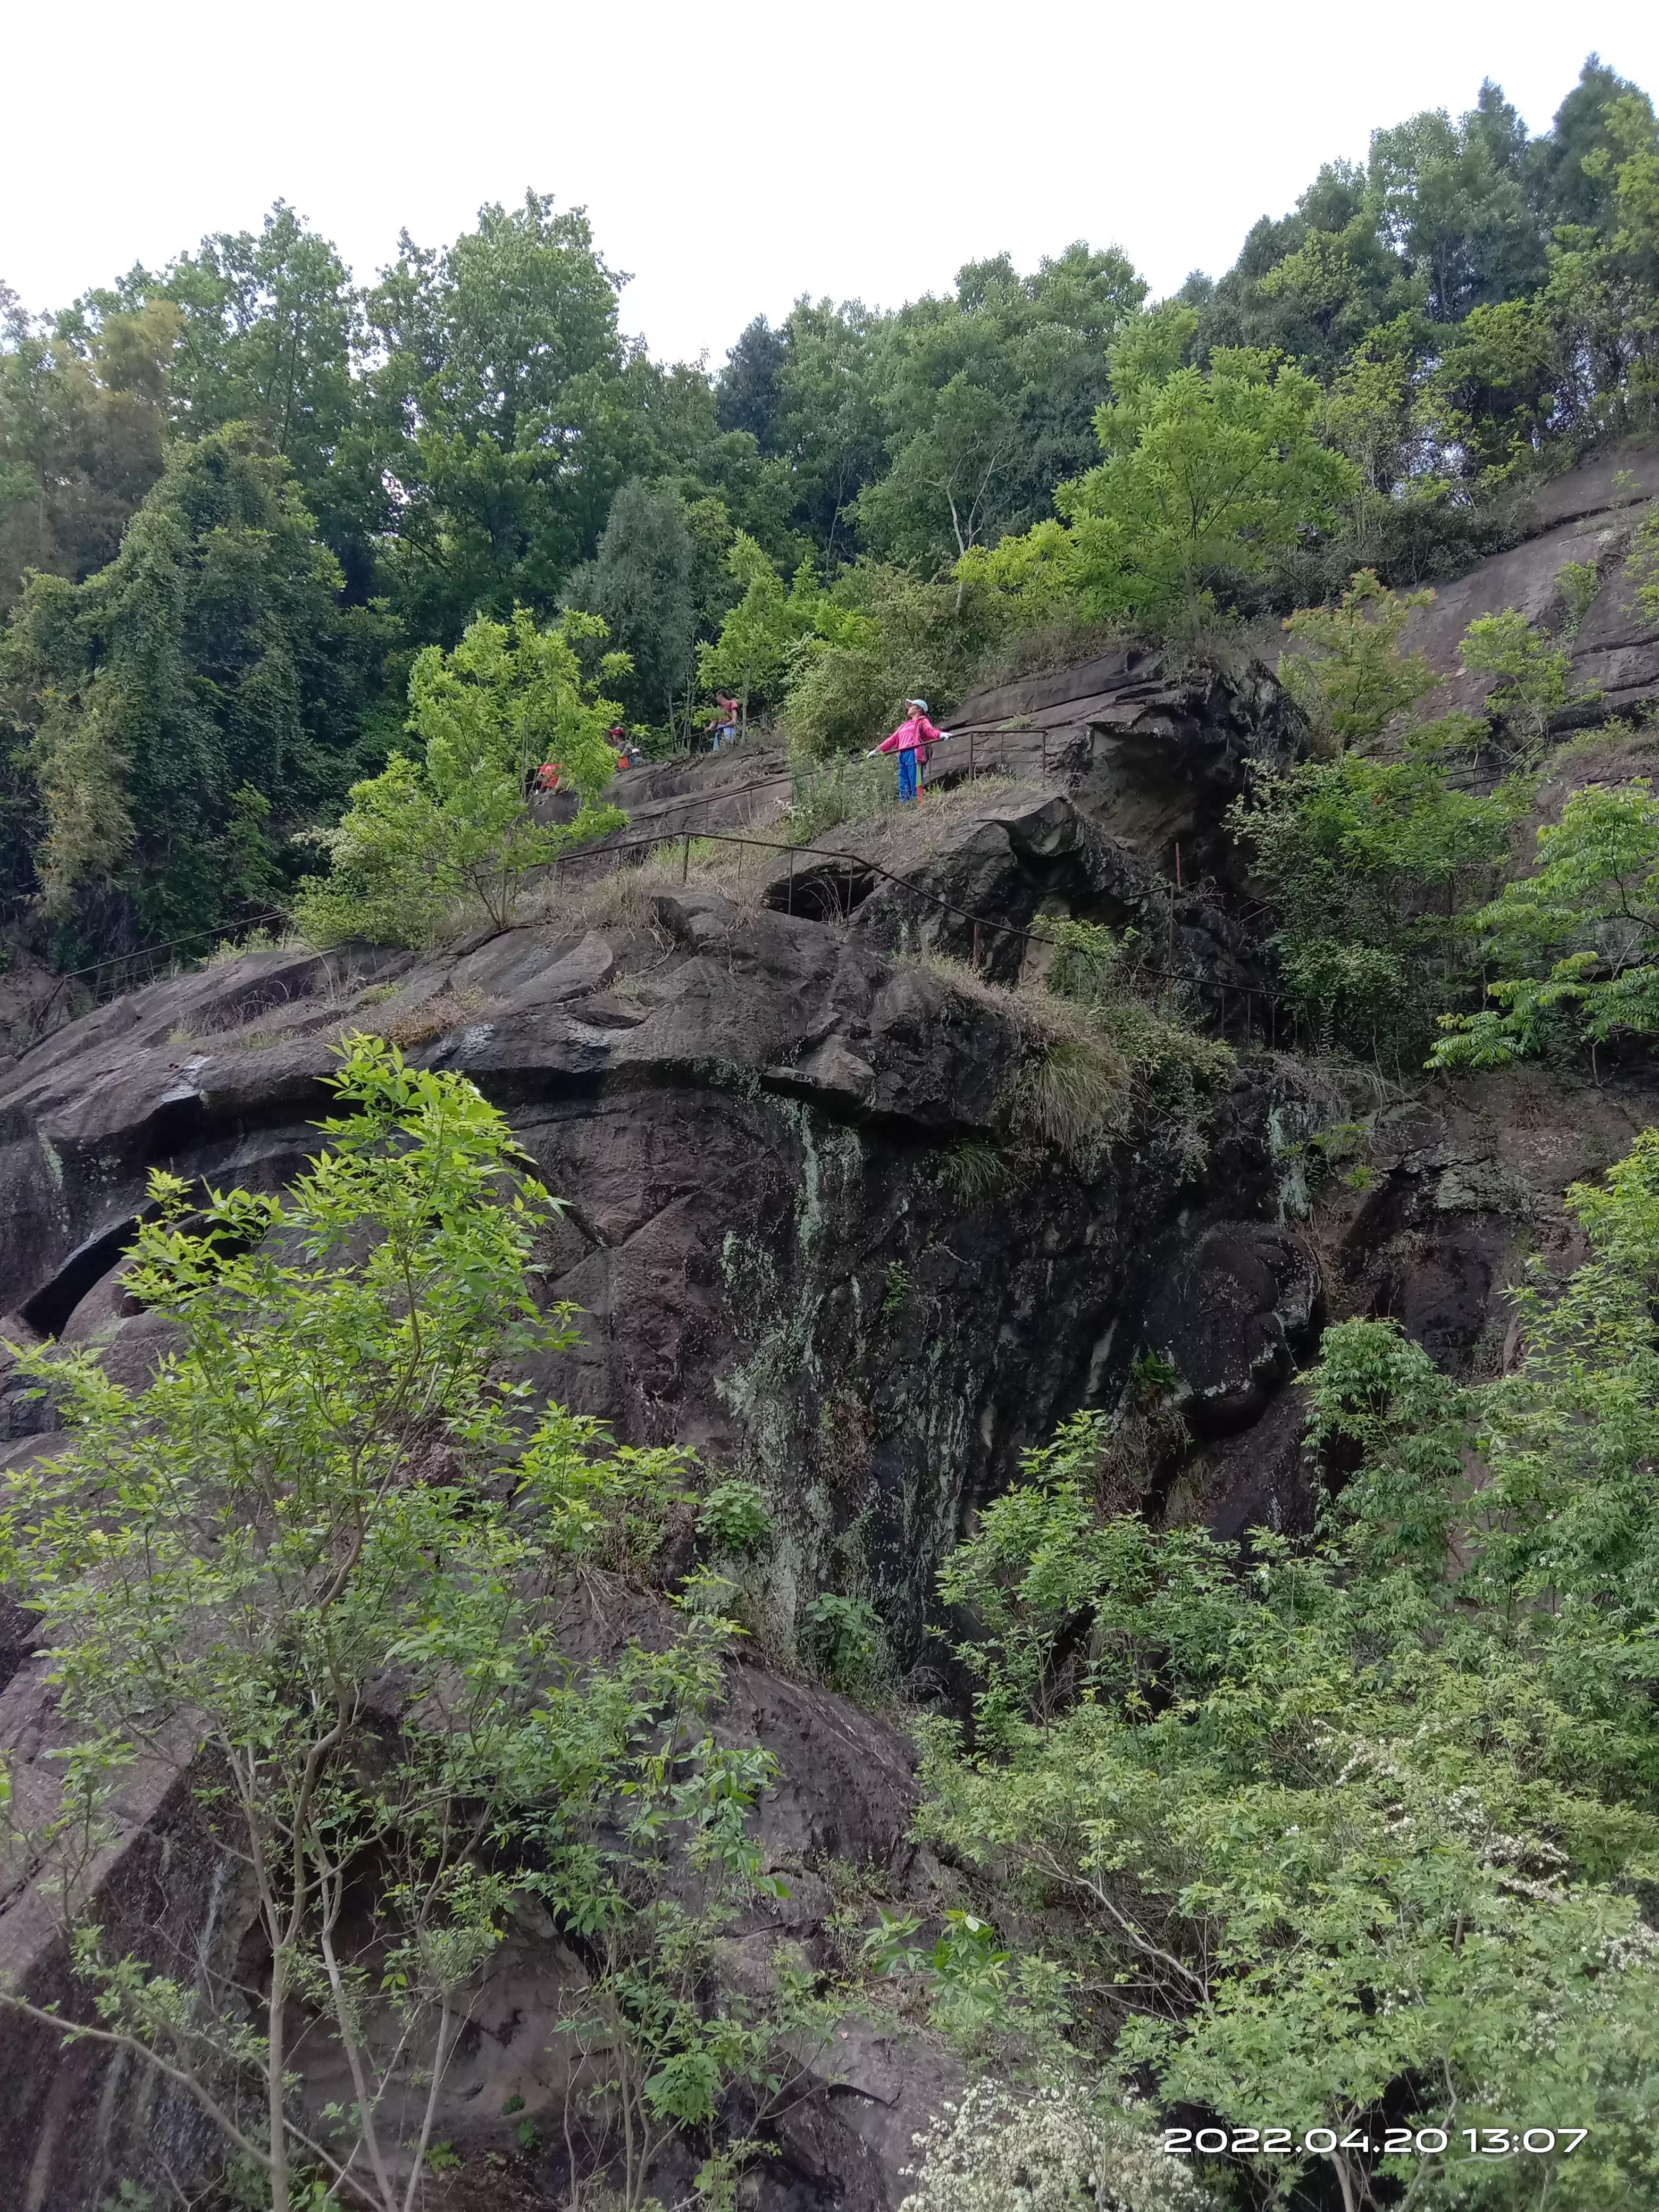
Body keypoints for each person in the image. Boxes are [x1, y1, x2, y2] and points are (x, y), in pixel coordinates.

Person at [873, 698, 947, 805]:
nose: (909, 708)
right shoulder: (905, 725)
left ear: (918, 709)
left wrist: (940, 734)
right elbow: (892, 739)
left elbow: (930, 731)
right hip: (902, 755)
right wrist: (877, 750)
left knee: (915, 781)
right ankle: (906, 807)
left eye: (911, 706)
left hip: (914, 753)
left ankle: (918, 805)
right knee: (903, 783)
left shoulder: (922, 721)